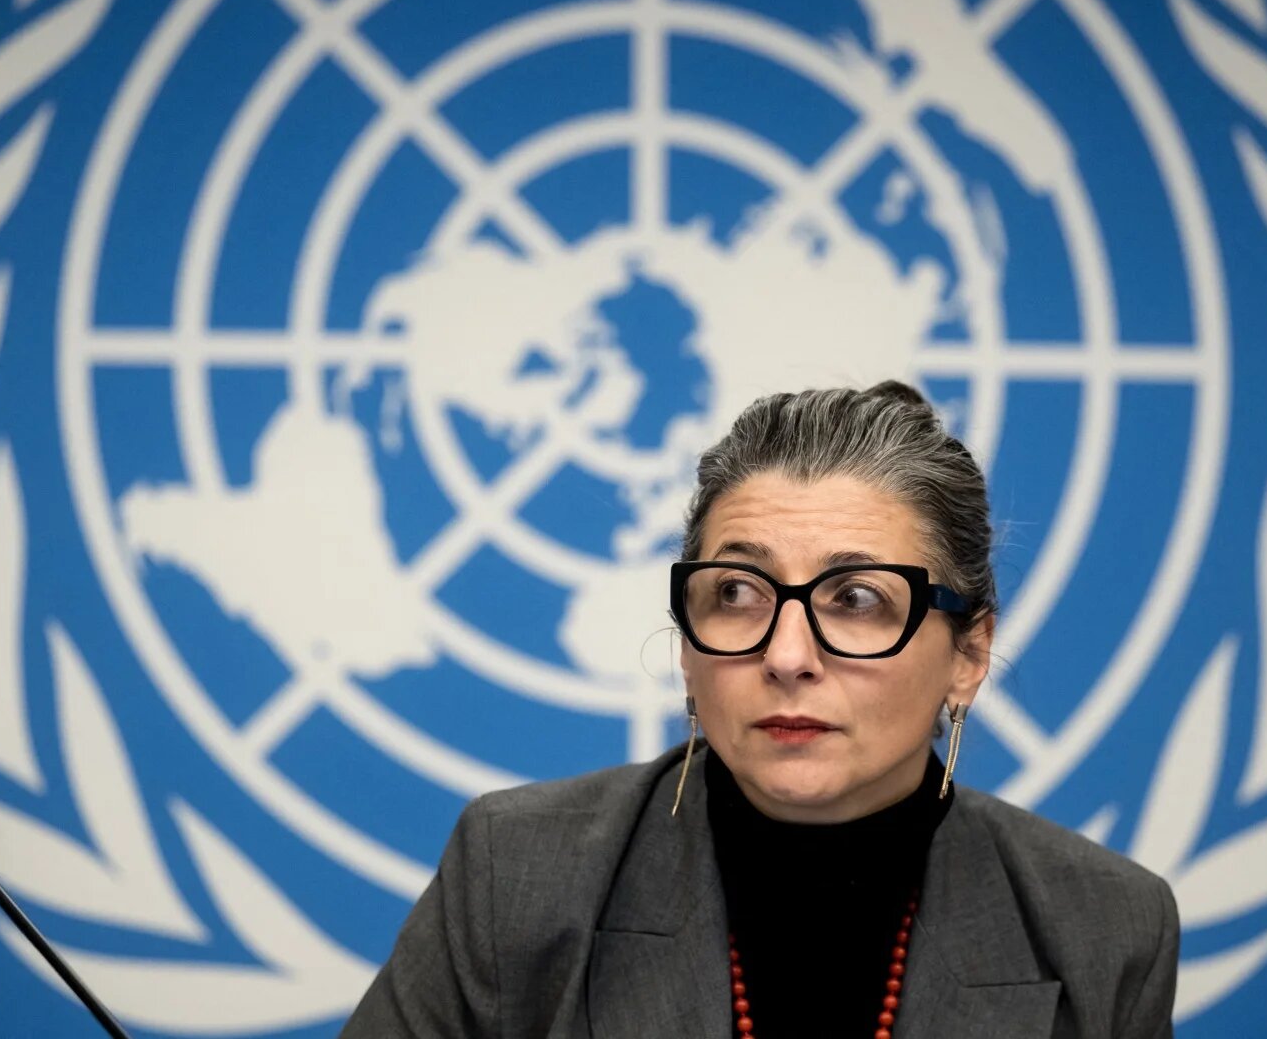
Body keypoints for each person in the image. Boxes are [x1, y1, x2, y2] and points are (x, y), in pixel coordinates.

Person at [342, 381, 1179, 1038]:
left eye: (855, 598)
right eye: (738, 592)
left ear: (969, 654)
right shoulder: (517, 876)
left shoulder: (1101, 926)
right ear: (686, 640)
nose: (786, 655)